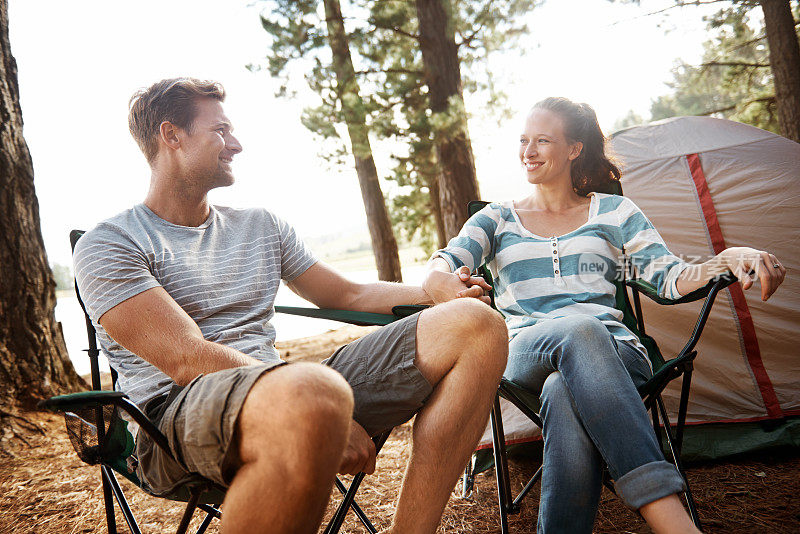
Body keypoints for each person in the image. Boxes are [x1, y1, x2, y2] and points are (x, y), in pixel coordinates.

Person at [73, 77, 509, 534]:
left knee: (477, 324)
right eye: (220, 130)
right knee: (309, 394)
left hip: (295, 393)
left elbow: (347, 295)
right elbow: (187, 357)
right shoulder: (111, 243)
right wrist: (318, 408)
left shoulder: (260, 226)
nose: (235, 144)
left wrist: (433, 290)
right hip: (172, 420)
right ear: (172, 136)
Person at [423, 97, 786, 534]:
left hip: (616, 355)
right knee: (578, 328)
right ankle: (671, 518)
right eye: (523, 141)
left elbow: (671, 278)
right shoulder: (497, 219)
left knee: (564, 386)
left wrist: (728, 257)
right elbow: (445, 259)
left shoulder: (615, 212)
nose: (528, 151)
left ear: (575, 149)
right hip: (524, 354)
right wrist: (439, 277)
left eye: (543, 140)